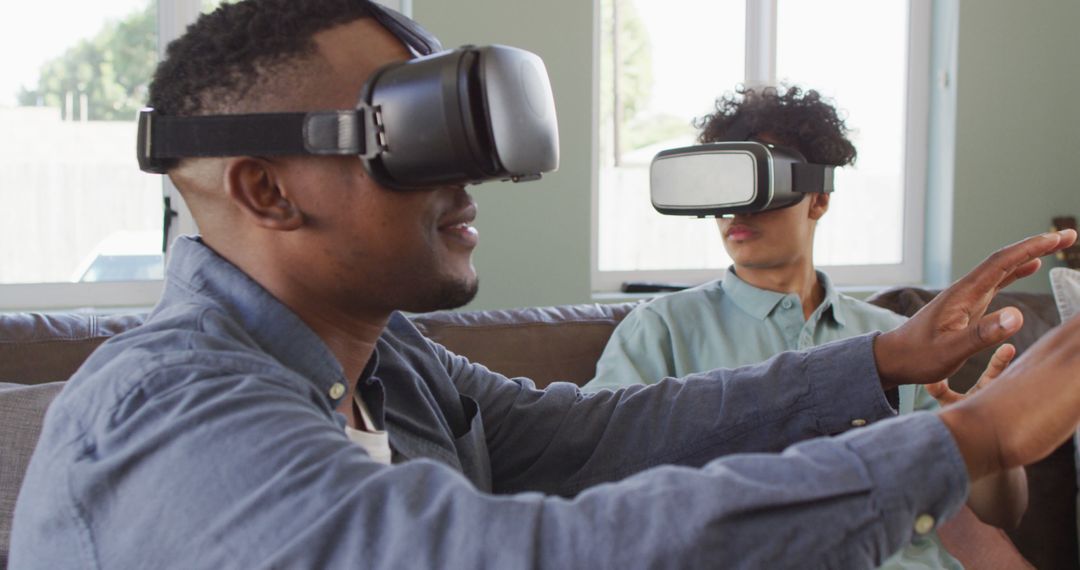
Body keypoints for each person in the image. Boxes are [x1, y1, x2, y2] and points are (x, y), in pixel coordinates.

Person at [9, 1, 1080, 568]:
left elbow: (594, 440)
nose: (470, 174)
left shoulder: (395, 369)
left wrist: (886, 358)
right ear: (266, 189)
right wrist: (968, 436)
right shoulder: (164, 413)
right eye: (415, 135)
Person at [584, 85, 1026, 568]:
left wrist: (988, 434)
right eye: (724, 185)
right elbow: (597, 477)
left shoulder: (902, 339)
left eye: (761, 182)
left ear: (817, 197)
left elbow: (1000, 512)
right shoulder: (660, 331)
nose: (738, 210)